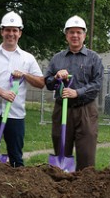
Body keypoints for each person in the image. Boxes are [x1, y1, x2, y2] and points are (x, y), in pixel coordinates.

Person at [0, 12, 44, 167]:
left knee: (16, 157)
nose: (11, 34)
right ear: (2, 31)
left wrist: (25, 75)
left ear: (20, 33)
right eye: (8, 30)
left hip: (15, 115)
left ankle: (17, 187)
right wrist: (2, 93)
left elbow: (41, 83)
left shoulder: (28, 58)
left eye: (15, 30)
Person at [44, 15, 104, 170]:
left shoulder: (94, 58)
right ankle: (62, 183)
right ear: (66, 35)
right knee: (61, 147)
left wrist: (77, 92)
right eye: (71, 32)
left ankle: (85, 186)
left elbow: (97, 84)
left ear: (84, 35)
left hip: (86, 110)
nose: (75, 36)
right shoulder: (57, 58)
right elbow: (48, 82)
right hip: (61, 109)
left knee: (86, 154)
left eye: (79, 32)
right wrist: (56, 77)